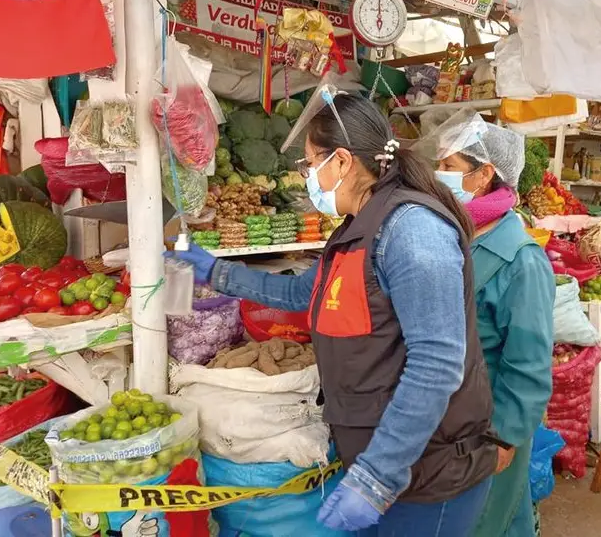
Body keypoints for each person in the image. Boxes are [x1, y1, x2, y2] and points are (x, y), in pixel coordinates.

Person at [170, 92, 499, 536]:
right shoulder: (354, 228)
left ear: (342, 161)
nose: (307, 178)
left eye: (309, 165)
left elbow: (436, 366)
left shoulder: (411, 231)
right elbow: (301, 292)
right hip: (376, 456)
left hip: (429, 471)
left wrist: (376, 476)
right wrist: (217, 272)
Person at [434, 118, 555, 537]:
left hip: (487, 426)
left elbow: (530, 363)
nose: (439, 175)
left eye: (448, 165)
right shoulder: (454, 234)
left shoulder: (521, 259)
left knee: (488, 520)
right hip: (447, 420)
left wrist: (504, 437)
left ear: (484, 175)